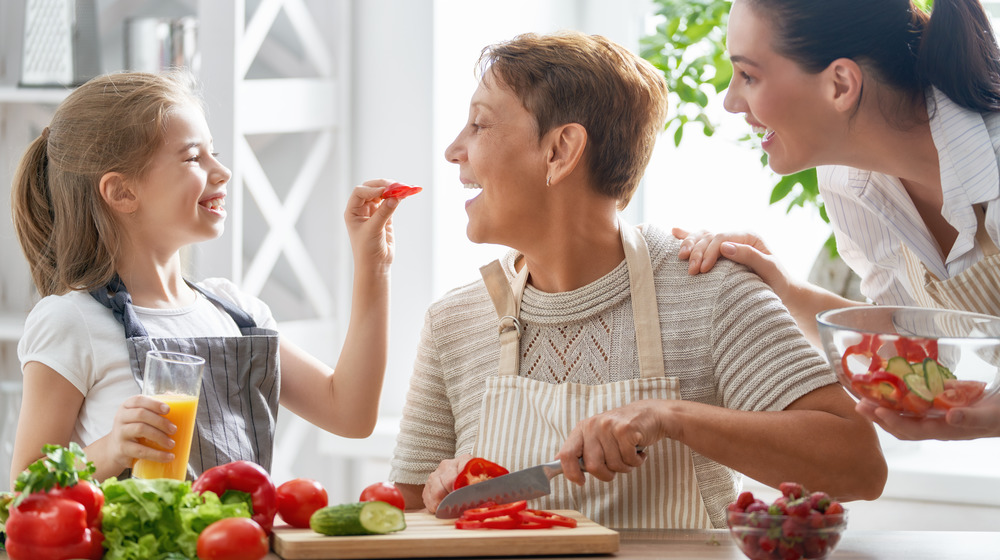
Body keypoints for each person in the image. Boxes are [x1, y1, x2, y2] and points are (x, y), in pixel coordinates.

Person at [387, 31, 885, 530]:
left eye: (479, 125)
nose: (454, 150)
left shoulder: (710, 290)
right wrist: (439, 492)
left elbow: (859, 466)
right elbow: (405, 517)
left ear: (560, 151)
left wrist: (673, 417)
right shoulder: (453, 323)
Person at [9, 71, 406, 486]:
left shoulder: (238, 315)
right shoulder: (71, 321)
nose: (223, 171)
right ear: (122, 192)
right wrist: (109, 450)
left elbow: (350, 413)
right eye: (194, 157)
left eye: (213, 152)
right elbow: (25, 488)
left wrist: (373, 266)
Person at [675, 0, 1000, 441]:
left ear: (840, 84)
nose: (731, 101)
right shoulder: (850, 181)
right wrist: (783, 289)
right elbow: (913, 341)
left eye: (748, 75)